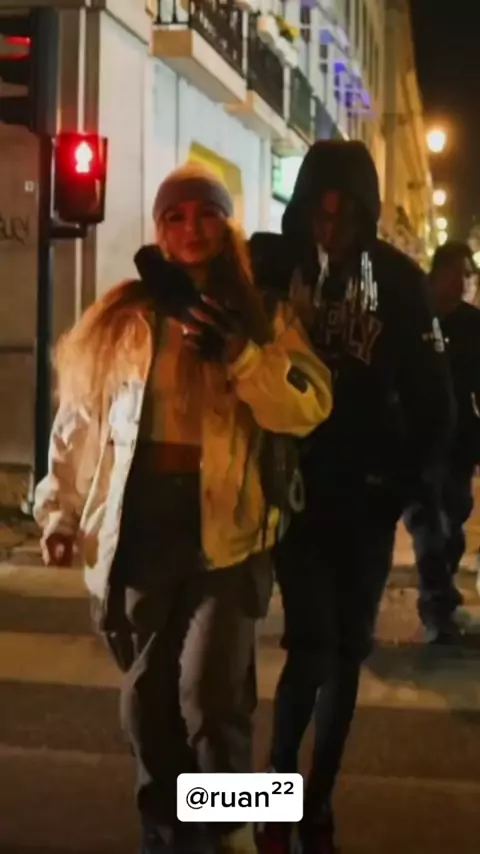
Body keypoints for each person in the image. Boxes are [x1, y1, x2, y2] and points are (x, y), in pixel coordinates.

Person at [33, 164, 333, 854]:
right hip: (139, 531)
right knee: (147, 704)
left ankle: (231, 828)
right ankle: (168, 834)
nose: (191, 228)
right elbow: (79, 422)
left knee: (212, 695)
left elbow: (309, 406)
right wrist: (60, 512)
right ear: (160, 231)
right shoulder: (126, 314)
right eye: (175, 216)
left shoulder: (263, 313)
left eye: (205, 214)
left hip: (228, 533)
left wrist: (242, 355)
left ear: (226, 226)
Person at [249, 140, 454, 854]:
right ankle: (274, 799)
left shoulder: (399, 282)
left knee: (345, 657)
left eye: (346, 217)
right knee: (311, 649)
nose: (331, 230)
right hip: (299, 494)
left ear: (367, 215)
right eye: (320, 213)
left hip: (366, 501)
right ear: (304, 208)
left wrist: (406, 485)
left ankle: (317, 804)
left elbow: (435, 401)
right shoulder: (277, 264)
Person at [404, 241, 480, 642]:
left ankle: (440, 596)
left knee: (454, 521)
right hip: (419, 442)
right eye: (460, 273)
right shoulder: (416, 314)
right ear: (441, 272)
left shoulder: (472, 324)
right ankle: (437, 606)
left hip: (460, 444)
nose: (466, 282)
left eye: (470, 275)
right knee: (430, 526)